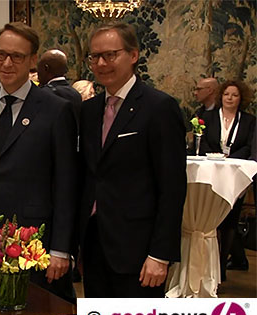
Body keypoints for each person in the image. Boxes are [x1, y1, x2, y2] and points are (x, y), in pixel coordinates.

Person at [0, 22, 78, 303]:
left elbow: (66, 184)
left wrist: (62, 249)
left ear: (32, 61)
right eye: (1, 55)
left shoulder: (55, 109)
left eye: (16, 56)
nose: (7, 63)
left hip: (34, 241)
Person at [78, 22, 186, 298]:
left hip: (138, 250)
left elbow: (172, 187)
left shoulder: (159, 108)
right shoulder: (88, 111)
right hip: (94, 244)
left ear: (134, 55)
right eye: (94, 57)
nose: (101, 63)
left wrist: (160, 255)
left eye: (110, 55)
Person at [199, 80, 255, 280]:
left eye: (235, 95)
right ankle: (204, 270)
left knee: (229, 222)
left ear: (241, 99)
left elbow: (249, 147)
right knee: (210, 222)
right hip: (210, 173)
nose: (230, 98)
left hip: (234, 175)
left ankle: (221, 270)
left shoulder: (249, 121)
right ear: (221, 96)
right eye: (226, 94)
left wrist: (230, 159)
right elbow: (202, 141)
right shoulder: (207, 117)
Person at [37, 49, 82, 126]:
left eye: (39, 68)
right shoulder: (76, 94)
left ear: (46, 68)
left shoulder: (43, 94)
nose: (37, 73)